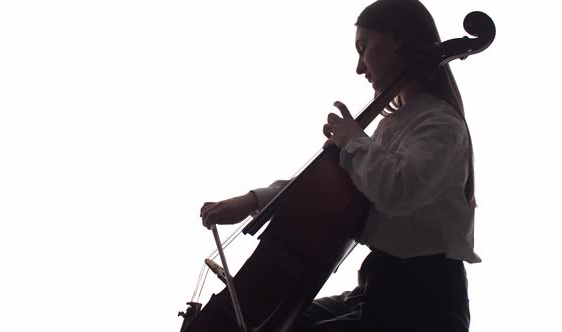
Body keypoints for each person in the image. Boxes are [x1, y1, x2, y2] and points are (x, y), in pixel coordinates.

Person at [200, 0, 481, 330]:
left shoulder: (440, 124)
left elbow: (398, 189)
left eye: (364, 48)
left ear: (397, 38)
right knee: (275, 321)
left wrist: (353, 141)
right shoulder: (393, 125)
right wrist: (254, 201)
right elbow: (328, 187)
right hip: (379, 288)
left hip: (424, 304)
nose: (359, 68)